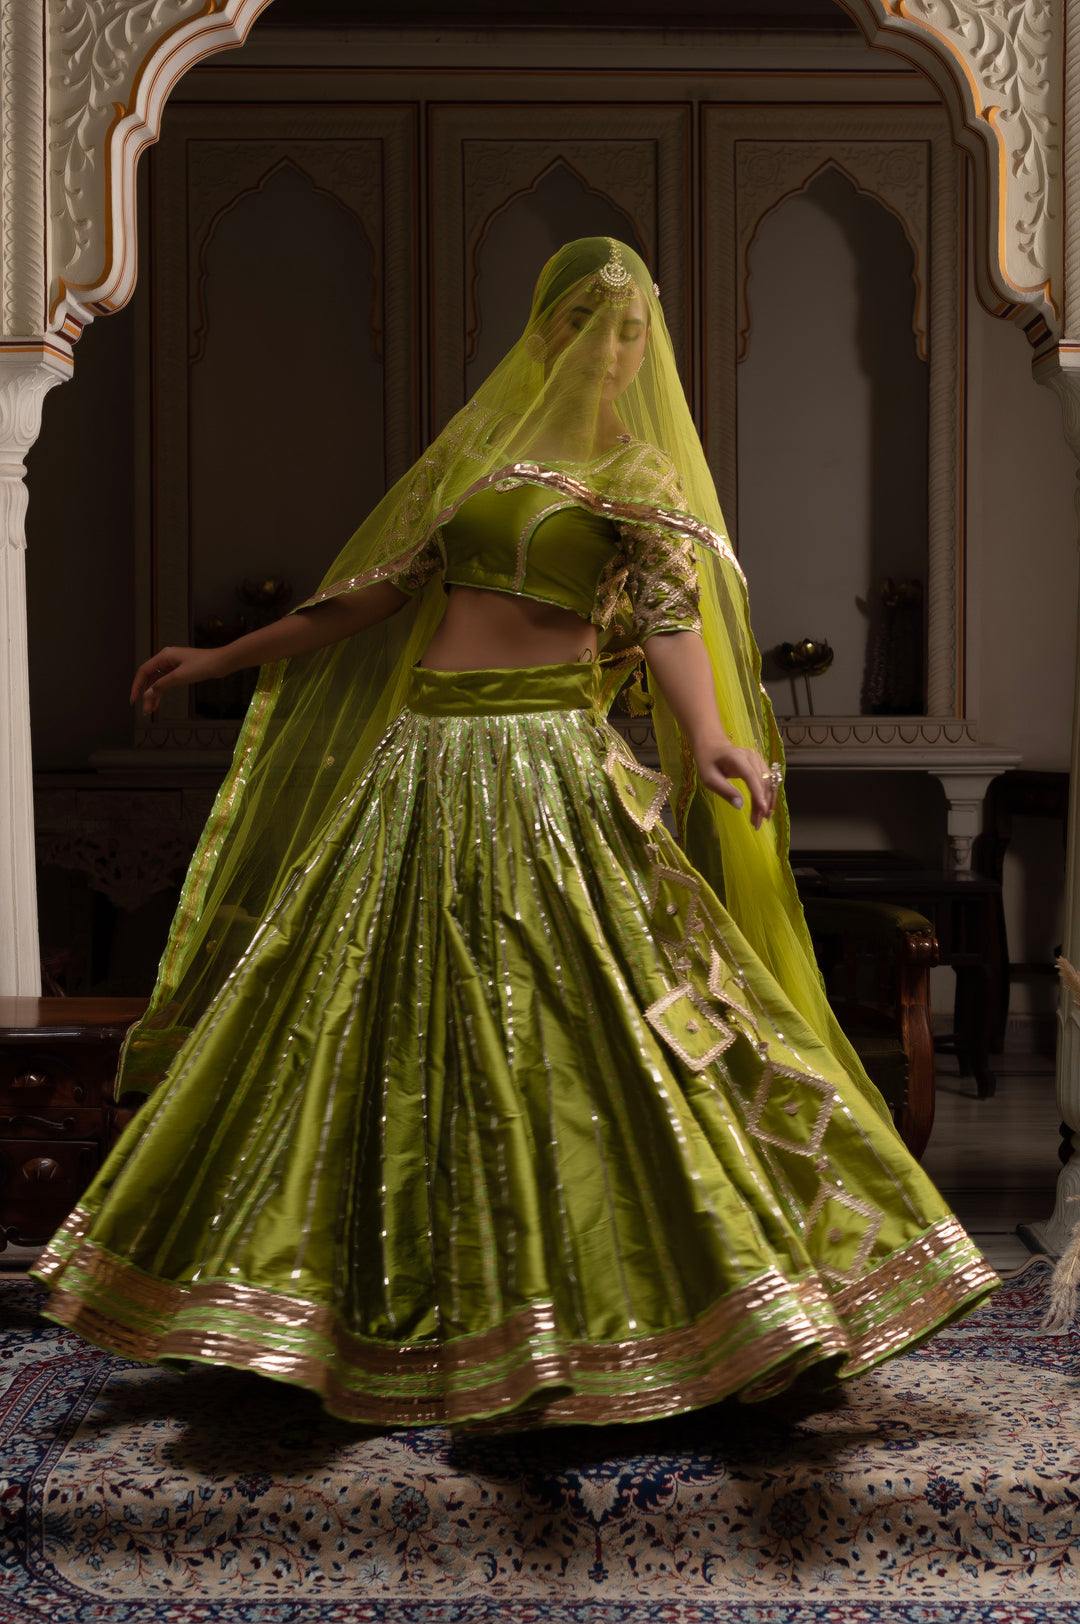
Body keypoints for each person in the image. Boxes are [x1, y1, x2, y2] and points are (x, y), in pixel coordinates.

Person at [33, 238, 997, 1427]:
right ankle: (315, 1309)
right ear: (546, 331)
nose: (612, 346)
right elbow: (374, 595)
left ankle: (630, 1311)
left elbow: (670, 626)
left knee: (583, 1018)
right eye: (589, 320)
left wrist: (710, 739)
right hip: (423, 757)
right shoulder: (474, 457)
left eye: (632, 329)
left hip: (550, 765)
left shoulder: (641, 477)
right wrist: (222, 658)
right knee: (353, 1014)